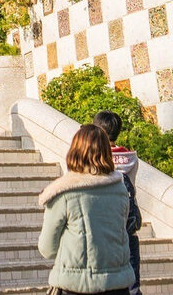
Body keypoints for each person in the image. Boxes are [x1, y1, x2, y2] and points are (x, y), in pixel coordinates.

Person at [38, 124, 135, 295]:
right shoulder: (119, 188)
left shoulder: (64, 192)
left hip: (76, 286)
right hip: (118, 285)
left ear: (75, 150)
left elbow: (47, 248)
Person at [93, 111, 142, 295]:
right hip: (127, 225)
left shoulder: (97, 159)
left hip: (105, 229)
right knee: (133, 287)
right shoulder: (131, 158)